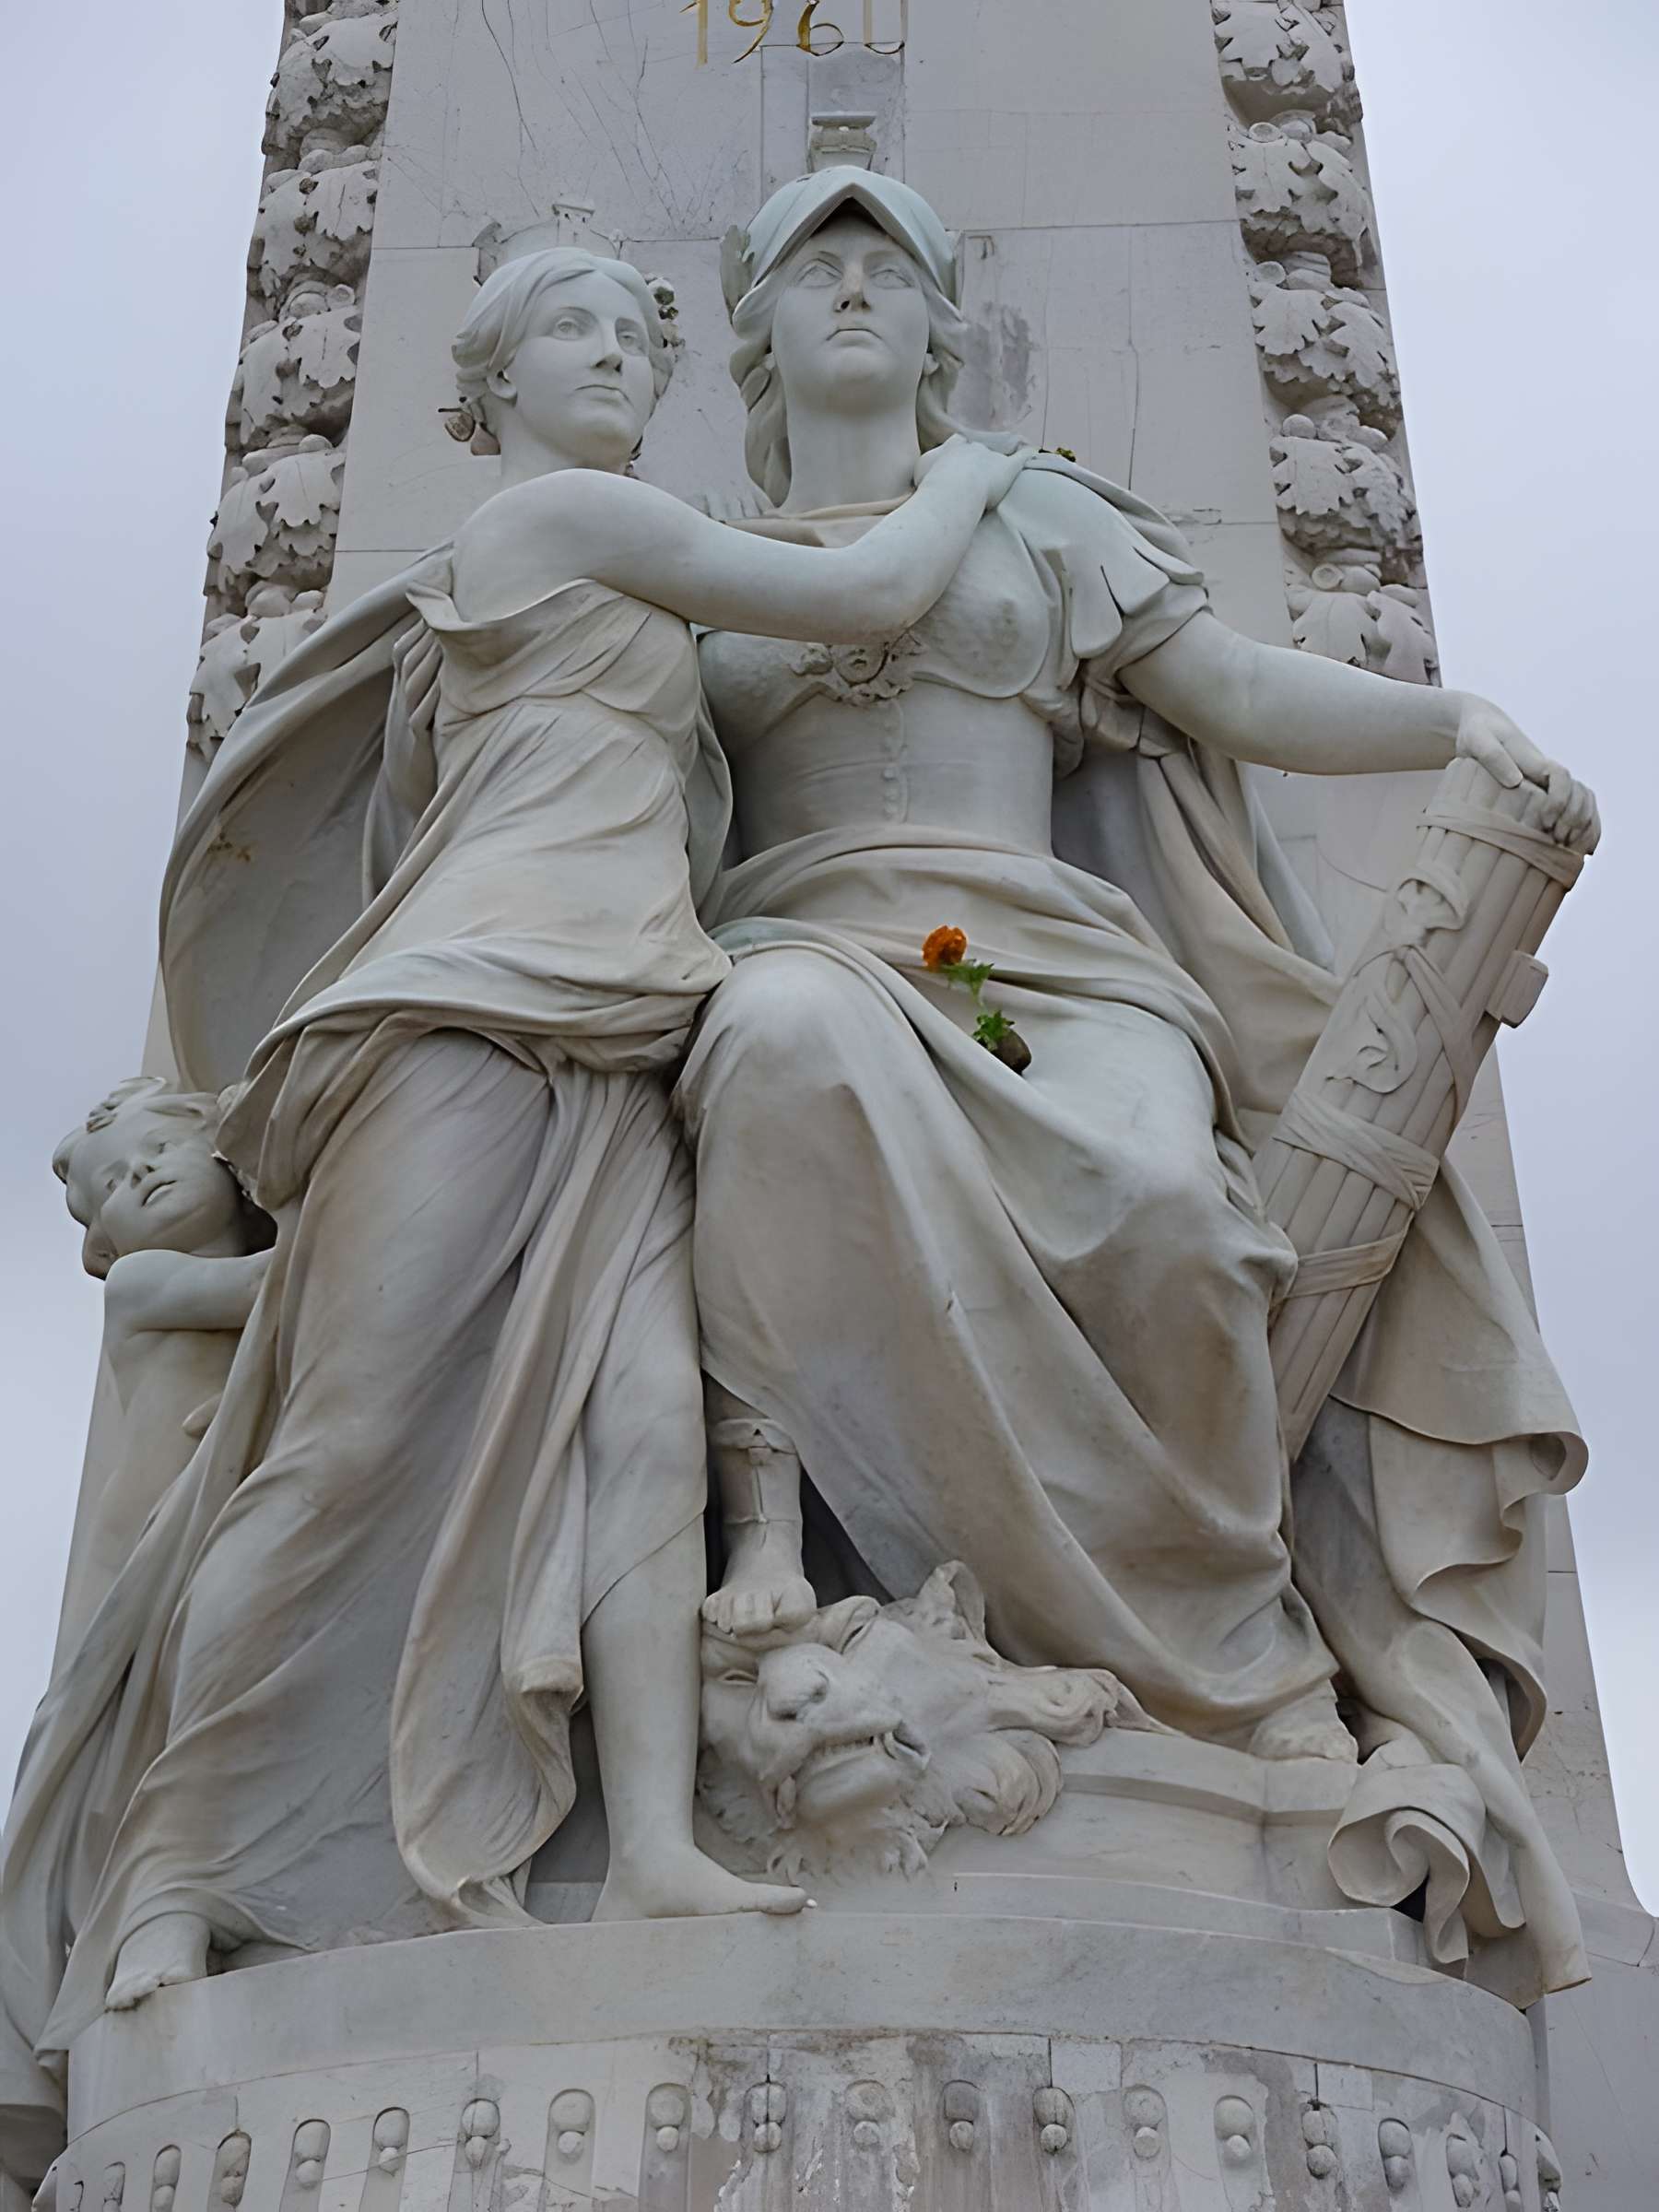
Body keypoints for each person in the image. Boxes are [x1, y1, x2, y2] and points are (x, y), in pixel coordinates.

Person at [1, 241, 1024, 2140]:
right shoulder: (562, 517)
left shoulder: (596, 560)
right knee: (344, 1440)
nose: (622, 354)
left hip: (628, 1038)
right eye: (579, 327)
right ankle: (170, 1876)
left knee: (646, 1432)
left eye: (641, 333)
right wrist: (986, 472)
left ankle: (646, 1846)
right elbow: (869, 584)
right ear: (489, 388)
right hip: (462, 1015)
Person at [678, 169, 1598, 2001]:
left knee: (1167, 1205)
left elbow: (1239, 687)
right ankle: (772, 1548)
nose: (853, 290)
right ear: (759, 331)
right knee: (781, 1037)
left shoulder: (1039, 520)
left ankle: (1217, 1658)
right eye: (815, 266)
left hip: (1001, 981)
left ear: (945, 326)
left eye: (888, 266)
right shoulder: (697, 563)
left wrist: (1449, 723)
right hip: (820, 945)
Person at [49, 1079, 272, 1664]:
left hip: (224, 1499)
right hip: (145, 1529)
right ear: (110, 1241)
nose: (142, 1173)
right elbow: (270, 1284)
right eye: (115, 1183)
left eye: (162, 1148)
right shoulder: (137, 1282)